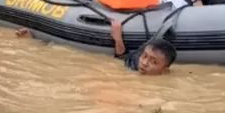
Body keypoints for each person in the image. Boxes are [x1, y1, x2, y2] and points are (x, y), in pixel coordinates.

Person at [15, 20, 177, 75]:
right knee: (63, 55)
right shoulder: (135, 63)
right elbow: (122, 58)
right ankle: (31, 39)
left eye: (154, 62)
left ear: (165, 71)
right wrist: (118, 38)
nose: (145, 63)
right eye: (145, 56)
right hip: (110, 66)